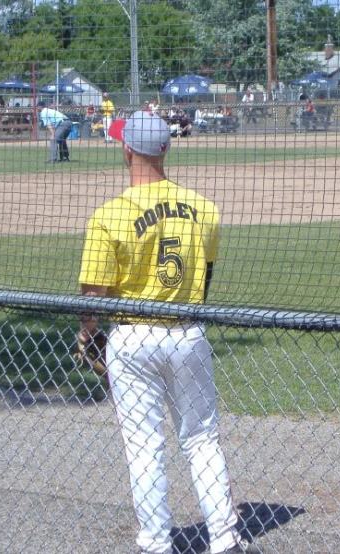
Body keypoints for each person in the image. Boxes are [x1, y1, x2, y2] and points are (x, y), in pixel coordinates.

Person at [78, 110, 257, 554]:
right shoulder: (205, 209)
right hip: (188, 333)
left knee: (143, 445)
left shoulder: (110, 216)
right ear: (165, 149)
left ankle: (156, 544)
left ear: (126, 150)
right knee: (201, 438)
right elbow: (206, 276)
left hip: (131, 337)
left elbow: (93, 293)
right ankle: (225, 539)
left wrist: (88, 335)